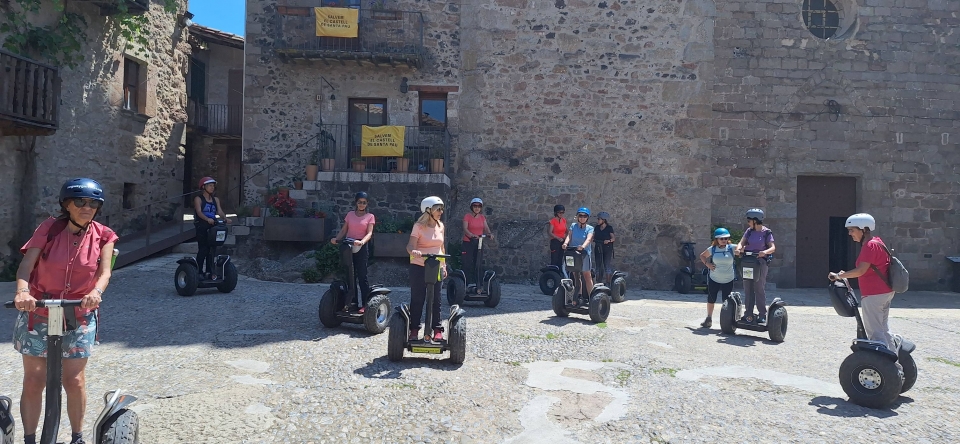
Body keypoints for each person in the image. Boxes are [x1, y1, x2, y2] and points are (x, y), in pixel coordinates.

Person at [12, 178, 119, 444]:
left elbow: (104, 273)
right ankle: (29, 439)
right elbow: (26, 266)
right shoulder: (49, 228)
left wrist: (96, 293)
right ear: (66, 205)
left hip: (77, 313)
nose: (87, 207)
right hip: (40, 311)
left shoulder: (104, 235)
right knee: (35, 380)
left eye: (93, 202)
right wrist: (22, 291)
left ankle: (77, 438)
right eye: (80, 201)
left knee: (74, 380)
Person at [829, 213, 899, 352]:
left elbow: (861, 271)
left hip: (874, 295)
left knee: (875, 334)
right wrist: (845, 275)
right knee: (884, 330)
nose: (850, 234)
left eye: (852, 230)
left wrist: (839, 276)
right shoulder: (877, 241)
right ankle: (895, 362)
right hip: (884, 292)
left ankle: (884, 367)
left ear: (864, 229)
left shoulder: (870, 246)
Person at [406, 196, 447, 342]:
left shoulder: (441, 226)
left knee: (437, 299)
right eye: (438, 209)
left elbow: (441, 247)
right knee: (418, 298)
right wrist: (414, 251)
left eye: (442, 209)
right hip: (419, 266)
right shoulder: (418, 226)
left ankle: (437, 330)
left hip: (436, 266)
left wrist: (444, 265)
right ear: (428, 210)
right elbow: (410, 245)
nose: (441, 212)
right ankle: (414, 330)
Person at [331, 192, 376, 312]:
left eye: (364, 202)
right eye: (359, 202)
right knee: (350, 275)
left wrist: (362, 242)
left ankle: (365, 304)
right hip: (349, 246)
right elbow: (344, 229)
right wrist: (337, 239)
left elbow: (369, 233)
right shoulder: (350, 215)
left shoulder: (370, 216)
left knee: (362, 276)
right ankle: (353, 302)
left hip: (361, 248)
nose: (361, 204)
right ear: (356, 202)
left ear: (367, 204)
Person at [734, 208, 775, 324]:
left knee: (759, 288)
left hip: (760, 263)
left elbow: (772, 247)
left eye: (749, 220)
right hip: (748, 262)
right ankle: (748, 314)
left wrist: (765, 252)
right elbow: (742, 242)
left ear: (755, 220)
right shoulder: (749, 231)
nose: (748, 223)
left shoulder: (766, 232)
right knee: (748, 287)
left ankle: (762, 314)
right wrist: (738, 249)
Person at [698, 228, 736, 328]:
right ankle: (709, 318)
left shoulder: (732, 248)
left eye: (726, 238)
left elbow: (743, 249)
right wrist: (708, 264)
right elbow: (702, 256)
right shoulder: (713, 249)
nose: (724, 240)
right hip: (714, 278)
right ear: (716, 239)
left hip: (728, 279)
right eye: (721, 238)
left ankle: (726, 321)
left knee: (726, 301)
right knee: (711, 299)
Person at [193, 177, 227, 279]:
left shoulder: (215, 200)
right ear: (203, 187)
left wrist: (225, 218)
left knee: (212, 249)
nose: (212, 188)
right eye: (210, 185)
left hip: (213, 226)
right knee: (203, 249)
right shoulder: (198, 199)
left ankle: (209, 271)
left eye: (213, 185)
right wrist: (207, 219)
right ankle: (198, 272)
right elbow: (199, 212)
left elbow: (219, 211)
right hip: (202, 225)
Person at [562, 207, 595, 302]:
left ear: (587, 218)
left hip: (584, 254)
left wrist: (583, 246)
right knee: (575, 274)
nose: (582, 218)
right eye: (580, 216)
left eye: (584, 216)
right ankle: (579, 296)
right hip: (572, 253)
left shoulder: (590, 228)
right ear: (577, 217)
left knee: (587, 275)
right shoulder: (573, 225)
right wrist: (565, 243)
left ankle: (592, 298)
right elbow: (569, 236)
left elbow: (589, 239)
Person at [461, 197, 494, 287]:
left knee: (478, 264)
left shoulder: (482, 217)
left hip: (479, 243)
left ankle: (479, 285)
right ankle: (465, 284)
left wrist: (489, 233)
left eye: (479, 206)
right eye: (475, 206)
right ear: (472, 207)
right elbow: (465, 228)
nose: (477, 208)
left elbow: (486, 228)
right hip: (468, 242)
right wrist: (471, 235)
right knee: (467, 263)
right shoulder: (467, 216)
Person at [593, 212, 615, 284]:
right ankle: (598, 282)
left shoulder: (609, 228)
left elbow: (613, 238)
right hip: (598, 247)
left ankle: (608, 282)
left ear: (604, 220)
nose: (598, 221)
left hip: (607, 248)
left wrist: (608, 241)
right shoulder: (596, 227)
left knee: (607, 264)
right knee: (598, 265)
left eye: (599, 219)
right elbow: (593, 236)